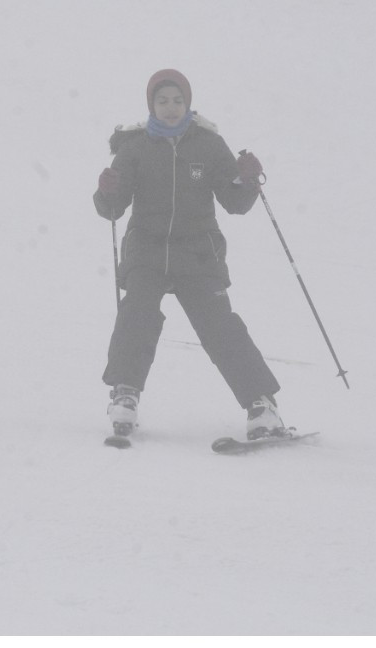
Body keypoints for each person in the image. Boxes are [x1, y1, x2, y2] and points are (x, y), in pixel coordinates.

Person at [94, 68, 286, 441]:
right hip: (147, 252)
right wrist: (107, 191)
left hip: (198, 253)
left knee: (220, 326)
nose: (170, 108)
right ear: (151, 104)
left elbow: (234, 202)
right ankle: (125, 394)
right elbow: (113, 209)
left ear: (188, 103)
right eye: (162, 101)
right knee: (137, 314)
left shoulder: (209, 145)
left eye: (177, 101)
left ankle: (261, 405)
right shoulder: (133, 147)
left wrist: (246, 180)